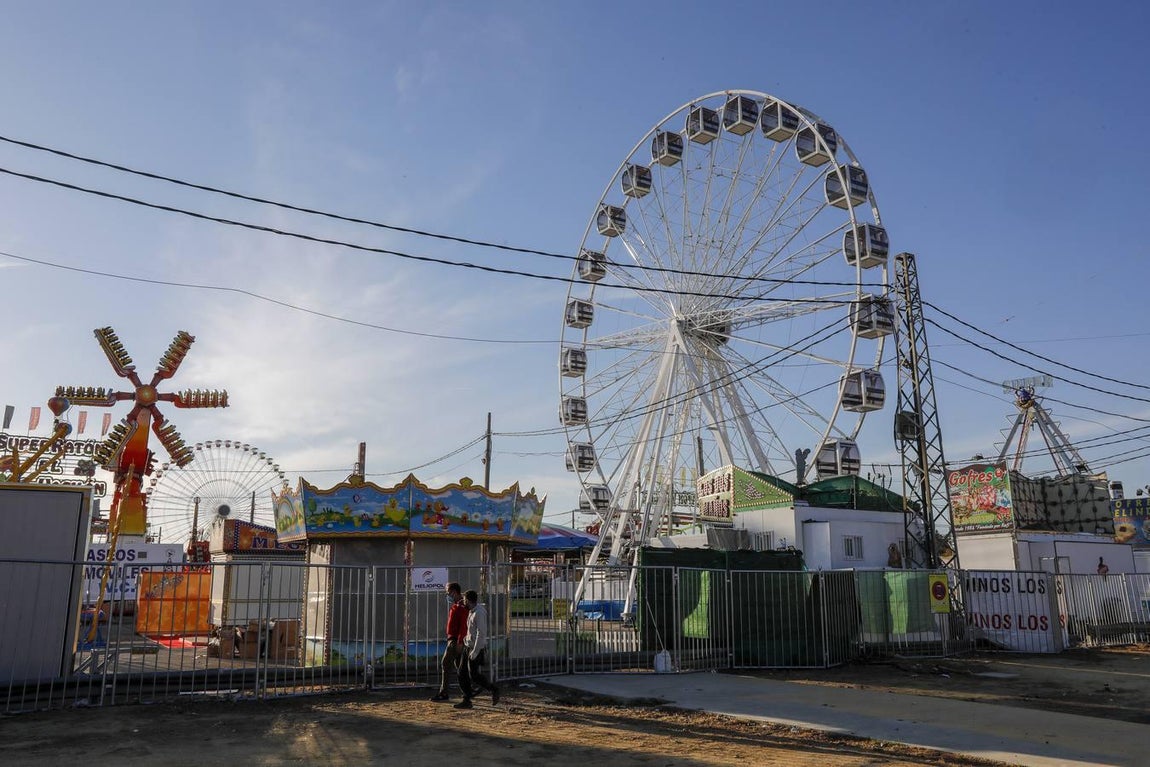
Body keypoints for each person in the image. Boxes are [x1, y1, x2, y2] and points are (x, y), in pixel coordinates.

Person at [453, 589, 500, 709]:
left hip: (475, 648)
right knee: (461, 672)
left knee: (474, 675)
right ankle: (466, 699)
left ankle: (493, 689)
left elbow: (481, 633)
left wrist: (475, 651)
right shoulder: (472, 611)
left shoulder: (479, 612)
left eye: (464, 600)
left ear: (468, 600)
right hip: (467, 646)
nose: (463, 602)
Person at [430, 582, 469, 701]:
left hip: (455, 641)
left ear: (454, 592)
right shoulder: (457, 605)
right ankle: (467, 693)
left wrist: (460, 642)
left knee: (446, 664)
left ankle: (444, 692)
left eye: (448, 592)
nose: (447, 595)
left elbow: (464, 625)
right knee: (460, 668)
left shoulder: (461, 606)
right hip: (453, 639)